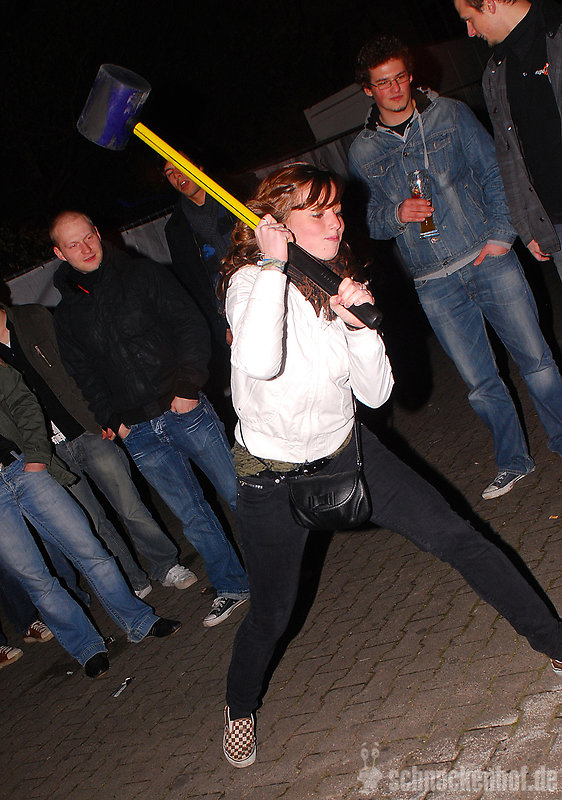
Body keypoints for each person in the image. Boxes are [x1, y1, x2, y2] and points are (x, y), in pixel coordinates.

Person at [219, 162, 562, 768]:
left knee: (460, 536)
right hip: (272, 478)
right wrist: (273, 265)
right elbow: (259, 362)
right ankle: (239, 706)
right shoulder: (251, 282)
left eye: (336, 210)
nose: (336, 222)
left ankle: (553, 640)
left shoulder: (337, 282)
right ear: (279, 224)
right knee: (271, 613)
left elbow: (377, 395)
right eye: (318, 212)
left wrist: (359, 328)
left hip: (346, 452)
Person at [348, 34, 562, 500]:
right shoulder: (363, 151)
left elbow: (495, 172)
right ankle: (514, 461)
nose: (395, 88)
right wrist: (396, 213)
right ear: (368, 89)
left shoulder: (451, 115)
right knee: (479, 383)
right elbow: (369, 222)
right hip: (433, 281)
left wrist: (501, 237)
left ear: (410, 75)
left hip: (487, 259)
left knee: (537, 360)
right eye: (383, 82)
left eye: (400, 77)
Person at [51, 212, 249, 627]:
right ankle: (233, 585)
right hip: (138, 431)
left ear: (98, 233)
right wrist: (113, 419)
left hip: (183, 409)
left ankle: (279, 564)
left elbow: (190, 325)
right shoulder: (67, 315)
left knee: (237, 492)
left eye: (88, 236)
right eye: (73, 244)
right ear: (59, 253)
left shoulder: (142, 274)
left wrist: (187, 388)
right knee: (192, 515)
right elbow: (82, 373)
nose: (86, 248)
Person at [0, 302, 196, 598]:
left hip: (87, 429)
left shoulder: (32, 317)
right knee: (92, 522)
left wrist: (101, 414)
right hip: (48, 453)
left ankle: (166, 565)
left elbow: (76, 364)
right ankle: (133, 580)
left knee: (130, 505)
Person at [0, 359, 180, 678]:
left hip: (23, 467)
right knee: (36, 579)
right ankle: (86, 648)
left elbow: (21, 399)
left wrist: (38, 456)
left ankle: (138, 621)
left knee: (90, 550)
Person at [454, 0, 562, 281]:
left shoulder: (557, 31)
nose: (470, 31)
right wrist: (528, 225)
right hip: (556, 224)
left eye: (469, 19)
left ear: (489, 4)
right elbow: (509, 155)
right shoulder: (495, 72)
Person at [163, 157, 235, 405]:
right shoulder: (176, 228)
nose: (177, 175)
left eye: (179, 165)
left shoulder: (235, 196)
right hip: (228, 318)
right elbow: (193, 288)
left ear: (199, 164)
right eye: (169, 172)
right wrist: (221, 328)